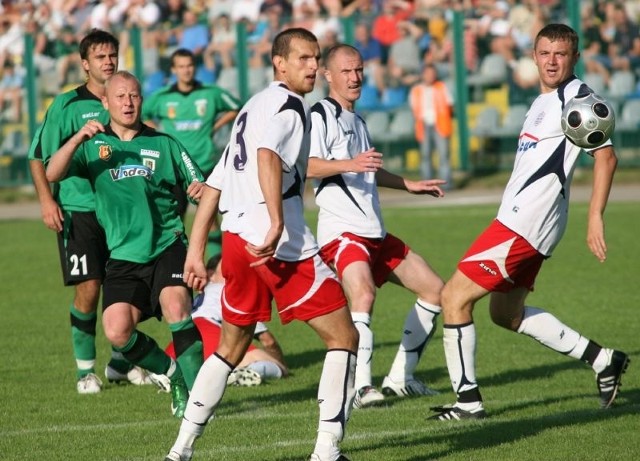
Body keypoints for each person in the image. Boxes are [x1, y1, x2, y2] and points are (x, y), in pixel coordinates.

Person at [164, 28, 359, 461]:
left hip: (234, 241)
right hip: (278, 245)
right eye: (304, 58)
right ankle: (326, 452)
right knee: (344, 337)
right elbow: (269, 156)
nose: (312, 66)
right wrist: (274, 222)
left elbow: (215, 184)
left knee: (230, 349)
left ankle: (180, 450)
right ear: (279, 62)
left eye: (315, 58)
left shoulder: (251, 108)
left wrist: (196, 252)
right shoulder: (290, 106)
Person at [429, 23, 630, 421]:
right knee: (505, 315)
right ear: (534, 55)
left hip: (524, 224)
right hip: (528, 223)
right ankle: (603, 359)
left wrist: (595, 218)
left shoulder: (579, 100)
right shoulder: (543, 100)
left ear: (574, 57)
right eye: (544, 53)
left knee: (453, 297)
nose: (551, 61)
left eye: (560, 54)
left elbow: (606, 157)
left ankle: (468, 402)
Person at [45, 70, 206, 419]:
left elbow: (202, 187)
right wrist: (75, 139)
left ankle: (199, 402)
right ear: (105, 102)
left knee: (177, 309)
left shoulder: (164, 144)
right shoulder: (92, 146)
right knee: (117, 331)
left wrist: (198, 191)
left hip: (167, 245)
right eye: (120, 96)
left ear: (141, 100)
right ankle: (172, 373)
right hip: (123, 255)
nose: (128, 102)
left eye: (133, 96)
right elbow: (51, 173)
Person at [306, 44, 446, 409]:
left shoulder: (358, 119)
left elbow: (367, 167)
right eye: (346, 71)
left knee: (435, 290)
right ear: (327, 75)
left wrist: (408, 184)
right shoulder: (320, 114)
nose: (354, 78)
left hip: (374, 231)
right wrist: (349, 163)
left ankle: (401, 378)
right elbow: (306, 166)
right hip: (342, 231)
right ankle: (361, 386)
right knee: (363, 294)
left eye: (359, 70)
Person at [27, 29, 151, 395]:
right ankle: (85, 371)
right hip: (79, 211)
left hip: (123, 214)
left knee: (128, 289)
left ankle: (119, 363)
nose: (108, 62)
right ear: (84, 64)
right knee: (89, 288)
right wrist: (48, 201)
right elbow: (38, 155)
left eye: (112, 55)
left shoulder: (124, 101)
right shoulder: (66, 106)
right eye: (100, 57)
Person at [143, 47, 241, 258]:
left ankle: (216, 268)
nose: (186, 71)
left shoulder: (210, 93)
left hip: (203, 165)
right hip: (174, 169)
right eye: (181, 67)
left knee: (210, 219)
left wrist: (215, 126)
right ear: (173, 70)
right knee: (172, 220)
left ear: (194, 68)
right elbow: (142, 114)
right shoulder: (162, 96)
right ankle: (176, 268)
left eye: (189, 66)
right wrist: (158, 133)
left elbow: (237, 108)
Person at [165, 254, 289, 386]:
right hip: (209, 332)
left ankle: (165, 377)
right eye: (227, 268)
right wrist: (281, 364)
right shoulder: (230, 291)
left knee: (182, 369)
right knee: (275, 367)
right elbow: (268, 341)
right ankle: (239, 373)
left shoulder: (202, 295)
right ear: (211, 274)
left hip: (180, 340)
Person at [408, 64, 454, 188]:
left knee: (444, 155)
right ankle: (427, 184)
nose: (430, 76)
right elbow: (414, 108)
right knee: (425, 155)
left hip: (440, 125)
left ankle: (446, 184)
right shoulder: (416, 90)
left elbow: (450, 105)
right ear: (423, 74)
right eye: (428, 73)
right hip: (423, 125)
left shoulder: (441, 87)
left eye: (432, 73)